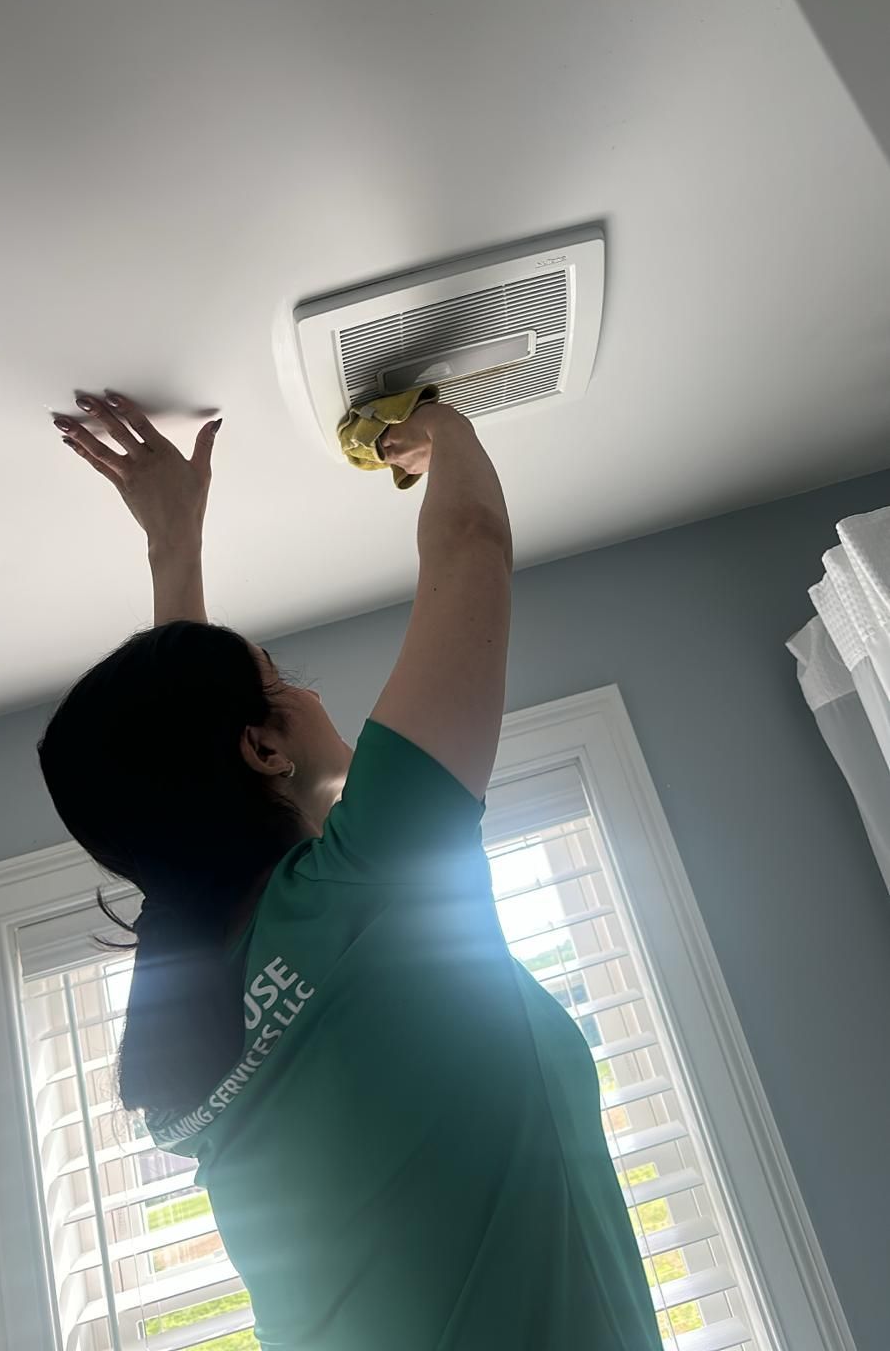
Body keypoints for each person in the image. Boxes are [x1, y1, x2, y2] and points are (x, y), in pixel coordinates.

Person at [39, 389, 661, 1351]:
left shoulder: (205, 1012)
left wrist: (175, 545)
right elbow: (469, 542)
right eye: (281, 677)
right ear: (262, 748)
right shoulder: (371, 876)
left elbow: (188, 767)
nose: (308, 691)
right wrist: (435, 424)